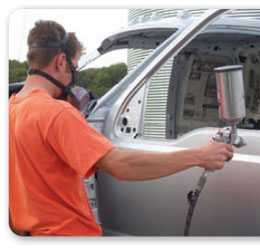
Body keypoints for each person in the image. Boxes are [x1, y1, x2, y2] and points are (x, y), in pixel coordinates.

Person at [9, 20, 234, 236]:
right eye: (74, 67)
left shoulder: (12, 107)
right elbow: (121, 165)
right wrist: (200, 156)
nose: (73, 78)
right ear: (60, 62)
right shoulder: (55, 113)